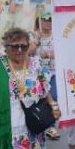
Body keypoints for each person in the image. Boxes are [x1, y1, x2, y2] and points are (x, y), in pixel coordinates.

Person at [32, 11, 60, 141]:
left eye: (50, 19)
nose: (47, 22)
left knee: (53, 96)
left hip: (54, 71)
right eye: (45, 19)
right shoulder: (34, 35)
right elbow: (29, 52)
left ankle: (52, 126)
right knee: (39, 100)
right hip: (39, 73)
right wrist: (36, 41)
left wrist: (54, 54)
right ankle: (39, 123)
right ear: (39, 20)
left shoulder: (58, 35)